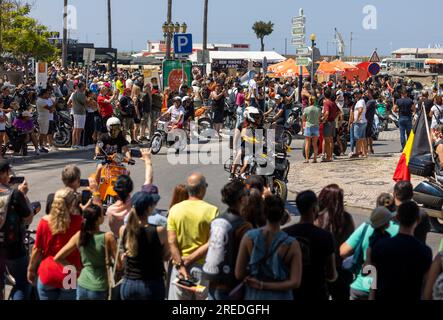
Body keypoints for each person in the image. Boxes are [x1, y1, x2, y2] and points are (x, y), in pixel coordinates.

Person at [235, 195, 302, 300]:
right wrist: (265, 285)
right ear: (282, 215)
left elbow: (239, 274)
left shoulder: (249, 237)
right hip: (282, 296)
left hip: (255, 295)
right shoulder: (292, 244)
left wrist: (258, 282)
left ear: (264, 213)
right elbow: (295, 282)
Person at [167, 173, 219, 300]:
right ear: (202, 189)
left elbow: (171, 241)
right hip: (201, 268)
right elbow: (212, 242)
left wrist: (181, 264)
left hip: (179, 268)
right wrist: (190, 259)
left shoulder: (175, 210)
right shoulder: (212, 210)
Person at [28, 188, 83, 300]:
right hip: (70, 273)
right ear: (72, 204)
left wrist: (31, 269)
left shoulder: (44, 222)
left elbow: (37, 250)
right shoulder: (79, 222)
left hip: (48, 273)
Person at [371, 201, 432, 300]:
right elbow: (426, 284)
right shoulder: (425, 251)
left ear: (397, 218)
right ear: (418, 220)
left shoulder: (381, 246)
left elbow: (373, 277)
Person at [54, 204, 116, 300]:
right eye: (102, 214)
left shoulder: (79, 235)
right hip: (99, 287)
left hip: (82, 284)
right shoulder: (108, 237)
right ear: (99, 220)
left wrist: (76, 269)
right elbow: (118, 265)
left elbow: (58, 258)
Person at [284, 191, 337, 300]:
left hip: (291, 292)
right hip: (317, 292)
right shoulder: (325, 236)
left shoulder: (285, 234)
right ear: (314, 208)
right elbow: (331, 274)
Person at [204, 180, 252, 300]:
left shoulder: (218, 220)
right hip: (231, 285)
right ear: (242, 199)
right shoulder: (243, 226)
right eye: (246, 194)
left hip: (213, 280)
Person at [118, 192, 169, 300]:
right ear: (149, 209)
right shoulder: (159, 231)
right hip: (152, 284)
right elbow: (166, 256)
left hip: (129, 283)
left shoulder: (123, 230)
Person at [0, 160, 33, 300]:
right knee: (23, 282)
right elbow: (28, 218)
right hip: (11, 246)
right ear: (3, 173)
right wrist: (23, 194)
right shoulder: (14, 194)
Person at [94, 117, 131, 186]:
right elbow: (98, 146)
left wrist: (129, 158)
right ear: (108, 128)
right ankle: (95, 187)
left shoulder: (120, 138)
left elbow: (125, 149)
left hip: (117, 160)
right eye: (114, 127)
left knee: (127, 172)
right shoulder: (103, 136)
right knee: (99, 168)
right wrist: (97, 153)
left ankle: (123, 190)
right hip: (104, 159)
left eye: (117, 127)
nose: (116, 130)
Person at [302, 96, 321, 163]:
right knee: (315, 144)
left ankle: (307, 159)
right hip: (316, 127)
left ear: (309, 101)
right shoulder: (318, 109)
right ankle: (315, 159)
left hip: (308, 127)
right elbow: (319, 119)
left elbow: (303, 119)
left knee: (307, 143)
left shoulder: (306, 109)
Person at [70, 82, 87, 149]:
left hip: (75, 112)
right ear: (80, 87)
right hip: (80, 113)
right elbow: (85, 102)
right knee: (79, 129)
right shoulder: (81, 94)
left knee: (75, 129)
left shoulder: (74, 94)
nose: (84, 88)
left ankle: (73, 144)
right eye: (83, 86)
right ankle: (77, 144)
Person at [36, 88, 53, 153]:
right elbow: (50, 109)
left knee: (44, 133)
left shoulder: (43, 100)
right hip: (42, 118)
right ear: (43, 94)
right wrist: (55, 102)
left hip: (45, 118)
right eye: (47, 93)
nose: (48, 95)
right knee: (42, 133)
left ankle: (41, 146)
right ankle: (40, 146)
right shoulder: (40, 101)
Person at [352, 89, 368, 158]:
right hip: (363, 121)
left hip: (359, 122)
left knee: (357, 138)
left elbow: (360, 110)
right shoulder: (360, 101)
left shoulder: (360, 101)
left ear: (360, 94)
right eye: (355, 94)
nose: (355, 95)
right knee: (362, 138)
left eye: (357, 93)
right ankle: (364, 152)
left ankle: (357, 152)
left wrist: (357, 118)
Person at [365, 89, 377, 154]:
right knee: (369, 135)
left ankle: (367, 149)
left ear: (370, 93)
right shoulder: (371, 101)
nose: (365, 94)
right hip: (370, 119)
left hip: (368, 120)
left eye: (367, 93)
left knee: (366, 135)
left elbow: (365, 110)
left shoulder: (371, 102)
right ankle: (371, 149)